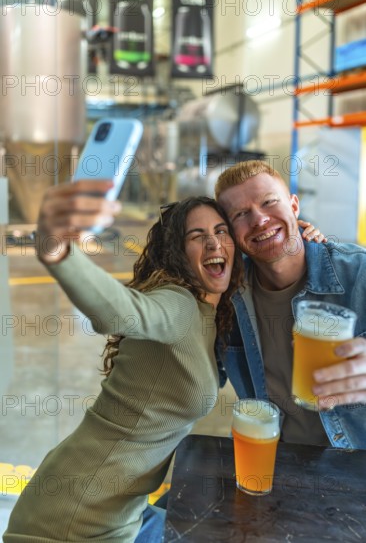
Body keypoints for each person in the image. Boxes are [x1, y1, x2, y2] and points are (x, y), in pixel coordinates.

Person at [4, 180, 244, 542]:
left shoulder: (211, 313)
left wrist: (301, 238)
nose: (213, 242)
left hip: (125, 510)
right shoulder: (179, 304)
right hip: (76, 519)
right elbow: (121, 311)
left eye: (221, 231)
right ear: (178, 252)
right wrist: (57, 250)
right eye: (197, 235)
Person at [215, 160, 366, 450]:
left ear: (294, 207)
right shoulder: (226, 298)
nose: (259, 220)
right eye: (241, 214)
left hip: (356, 467)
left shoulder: (357, 271)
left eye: (269, 202)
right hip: (277, 462)